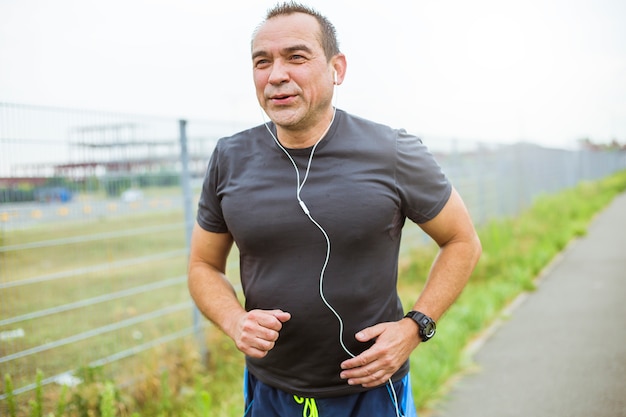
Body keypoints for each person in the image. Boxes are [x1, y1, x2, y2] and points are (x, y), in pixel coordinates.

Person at [187, 2, 482, 416]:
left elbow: (462, 241)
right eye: (262, 62)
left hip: (371, 392)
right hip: (271, 392)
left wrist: (416, 326)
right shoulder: (229, 158)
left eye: (296, 57)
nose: (276, 75)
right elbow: (203, 265)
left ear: (336, 69)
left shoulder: (392, 151)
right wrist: (235, 321)